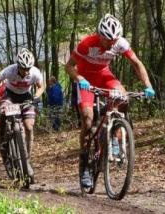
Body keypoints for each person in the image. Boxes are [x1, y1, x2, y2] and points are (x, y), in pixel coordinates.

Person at [65, 14, 155, 187]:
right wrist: (79, 79)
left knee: (124, 98)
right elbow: (68, 66)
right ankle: (84, 165)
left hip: (104, 76)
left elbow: (136, 63)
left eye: (114, 40)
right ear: (99, 35)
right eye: (108, 40)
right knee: (87, 118)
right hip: (85, 80)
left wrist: (148, 85)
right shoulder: (86, 44)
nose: (112, 43)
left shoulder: (120, 43)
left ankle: (113, 130)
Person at [0, 48, 45, 183]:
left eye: (28, 68)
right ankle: (4, 141)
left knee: (29, 127)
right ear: (18, 66)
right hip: (10, 97)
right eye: (24, 68)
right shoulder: (9, 70)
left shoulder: (34, 72)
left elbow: (41, 86)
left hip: (26, 98)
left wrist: (36, 96)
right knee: (4, 110)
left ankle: (27, 158)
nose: (26, 71)